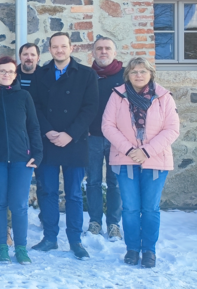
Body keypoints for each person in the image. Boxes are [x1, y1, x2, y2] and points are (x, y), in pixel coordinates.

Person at [102, 57, 180, 269]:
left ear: (150, 74)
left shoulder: (163, 97)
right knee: (130, 208)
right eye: (134, 71)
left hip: (155, 161)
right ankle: (132, 249)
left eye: (143, 71)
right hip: (125, 159)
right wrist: (129, 150)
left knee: (150, 208)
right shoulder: (117, 95)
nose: (138, 75)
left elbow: (172, 129)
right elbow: (107, 126)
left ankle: (149, 251)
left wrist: (146, 151)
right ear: (127, 74)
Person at [31, 32, 98, 260]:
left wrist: (70, 134)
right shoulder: (41, 74)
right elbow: (35, 106)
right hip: (48, 141)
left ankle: (75, 241)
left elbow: (90, 108)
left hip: (75, 142)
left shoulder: (87, 75)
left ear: (71, 47)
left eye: (63, 46)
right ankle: (50, 238)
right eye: (55, 47)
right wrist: (48, 130)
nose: (59, 50)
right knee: (47, 191)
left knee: (74, 194)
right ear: (50, 49)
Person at [0, 56, 43, 265]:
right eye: (2, 71)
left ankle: (21, 247)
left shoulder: (24, 96)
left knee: (19, 205)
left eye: (10, 71)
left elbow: (34, 127)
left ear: (15, 74)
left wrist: (37, 155)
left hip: (22, 159)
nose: (6, 75)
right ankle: (1, 246)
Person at [86, 36, 124, 240]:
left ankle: (113, 223)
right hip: (92, 137)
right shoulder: (86, 75)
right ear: (93, 53)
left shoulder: (125, 76)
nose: (103, 52)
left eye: (107, 48)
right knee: (92, 181)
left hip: (117, 139)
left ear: (115, 52)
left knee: (114, 182)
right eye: (99, 49)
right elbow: (79, 104)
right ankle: (94, 221)